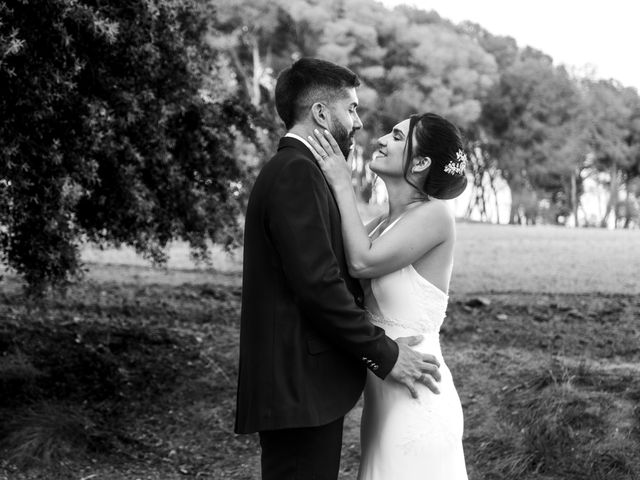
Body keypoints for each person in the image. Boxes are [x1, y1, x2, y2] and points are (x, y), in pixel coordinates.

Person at [234, 58, 443, 480]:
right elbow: (319, 286)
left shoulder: (305, 172)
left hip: (302, 390)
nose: (359, 122)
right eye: (351, 108)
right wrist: (385, 355)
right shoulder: (296, 173)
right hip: (297, 389)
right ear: (320, 114)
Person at [306, 112, 469, 479]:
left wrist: (341, 183)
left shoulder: (436, 215)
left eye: (397, 137)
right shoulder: (382, 223)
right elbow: (336, 266)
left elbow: (362, 263)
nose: (381, 139)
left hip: (417, 395)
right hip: (383, 396)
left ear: (423, 161)